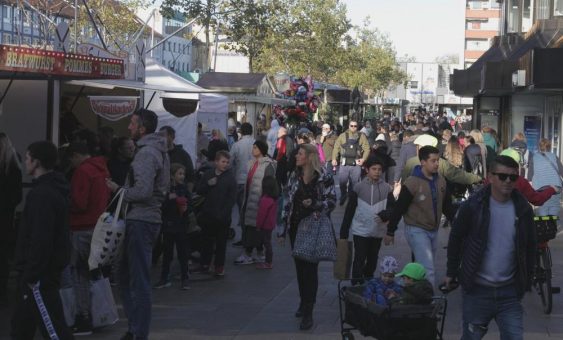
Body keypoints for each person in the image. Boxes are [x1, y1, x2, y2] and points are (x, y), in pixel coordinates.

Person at [445, 155, 536, 340]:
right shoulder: (473, 205)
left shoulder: (523, 208)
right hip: (477, 290)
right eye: (502, 176)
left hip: (509, 292)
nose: (508, 181)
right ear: (490, 176)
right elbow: (456, 238)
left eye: (513, 177)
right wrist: (451, 272)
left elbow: (529, 246)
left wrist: (527, 279)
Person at [106, 109, 170, 340]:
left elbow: (143, 191)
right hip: (146, 219)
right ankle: (135, 328)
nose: (129, 127)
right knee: (125, 275)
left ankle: (138, 331)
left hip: (141, 220)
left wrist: (117, 189)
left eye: (133, 124)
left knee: (138, 280)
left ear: (142, 128)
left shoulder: (146, 154)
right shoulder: (158, 151)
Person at [11, 141, 74, 340]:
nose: (26, 162)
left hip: (39, 276)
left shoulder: (42, 195)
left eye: (28, 158)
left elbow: (41, 238)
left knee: (53, 328)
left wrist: (31, 274)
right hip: (38, 272)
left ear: (36, 162)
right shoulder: (51, 190)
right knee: (22, 326)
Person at [279, 143, 336, 330]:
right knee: (300, 268)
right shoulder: (294, 175)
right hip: (296, 226)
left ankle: (309, 311)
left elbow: (332, 200)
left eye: (300, 153)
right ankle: (303, 302)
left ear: (309, 156)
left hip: (313, 226)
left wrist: (315, 204)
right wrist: (282, 230)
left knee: (310, 270)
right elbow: (287, 202)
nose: (296, 156)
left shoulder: (323, 177)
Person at [387, 146, 456, 288]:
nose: (437, 164)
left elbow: (447, 206)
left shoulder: (441, 181)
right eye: (433, 161)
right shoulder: (412, 182)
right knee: (428, 268)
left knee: (421, 266)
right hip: (416, 229)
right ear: (423, 162)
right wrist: (390, 231)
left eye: (438, 160)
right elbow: (399, 208)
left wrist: (456, 223)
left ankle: (411, 290)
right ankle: (429, 300)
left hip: (433, 230)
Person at [67, 141, 111, 335]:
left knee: (79, 274)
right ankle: (99, 313)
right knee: (94, 274)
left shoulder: (83, 172)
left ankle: (83, 316)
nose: (71, 163)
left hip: (81, 227)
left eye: (71, 159)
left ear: (76, 155)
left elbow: (79, 202)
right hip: (98, 226)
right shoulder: (102, 170)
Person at [340, 155, 395, 285]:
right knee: (359, 258)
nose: (377, 172)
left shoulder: (387, 188)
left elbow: (393, 208)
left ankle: (368, 281)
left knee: (372, 260)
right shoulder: (358, 187)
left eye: (379, 169)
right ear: (367, 170)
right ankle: (356, 284)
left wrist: (386, 214)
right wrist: (344, 232)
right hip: (360, 230)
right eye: (374, 169)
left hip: (377, 231)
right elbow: (349, 211)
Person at [195, 151, 237, 276]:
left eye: (227, 162)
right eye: (223, 162)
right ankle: (205, 264)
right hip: (208, 214)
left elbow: (231, 198)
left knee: (221, 243)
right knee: (206, 241)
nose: (225, 164)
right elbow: (199, 190)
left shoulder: (230, 178)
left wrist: (224, 213)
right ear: (216, 162)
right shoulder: (208, 174)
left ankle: (219, 266)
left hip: (223, 217)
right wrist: (208, 184)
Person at [235, 140, 276, 265]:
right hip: (249, 200)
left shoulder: (268, 165)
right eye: (253, 147)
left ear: (261, 149)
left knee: (254, 229)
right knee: (250, 227)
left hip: (259, 201)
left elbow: (268, 184)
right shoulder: (252, 163)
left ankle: (248, 254)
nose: (253, 150)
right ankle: (259, 253)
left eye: (255, 148)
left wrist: (263, 200)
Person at [153, 163, 192, 290]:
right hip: (169, 225)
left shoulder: (184, 188)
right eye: (179, 174)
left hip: (181, 225)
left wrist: (186, 209)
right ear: (172, 175)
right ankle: (164, 278)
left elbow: (191, 204)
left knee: (183, 253)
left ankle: (185, 278)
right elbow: (161, 206)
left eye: (183, 174)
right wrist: (170, 198)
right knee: (167, 253)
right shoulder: (167, 189)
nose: (182, 176)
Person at [401, 134, 482, 186]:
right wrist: (477, 178)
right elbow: (457, 174)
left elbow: (404, 181)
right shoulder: (440, 162)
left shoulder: (410, 162)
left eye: (418, 146)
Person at [0, 133, 22, 301]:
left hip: (5, 216)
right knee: (3, 257)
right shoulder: (14, 163)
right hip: (5, 218)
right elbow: (17, 196)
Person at [332, 120, 370, 206]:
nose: (353, 127)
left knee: (355, 183)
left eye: (355, 126)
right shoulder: (342, 136)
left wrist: (363, 159)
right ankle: (343, 195)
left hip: (356, 163)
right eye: (351, 125)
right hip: (344, 163)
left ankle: (352, 198)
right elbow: (336, 147)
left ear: (357, 127)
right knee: (342, 182)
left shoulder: (362, 136)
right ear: (348, 126)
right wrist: (334, 158)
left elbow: (367, 148)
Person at [229, 123, 255, 247]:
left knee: (242, 210)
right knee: (254, 210)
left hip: (240, 181)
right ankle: (253, 239)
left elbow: (229, 162)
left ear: (241, 132)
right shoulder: (257, 144)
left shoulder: (237, 145)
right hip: (255, 181)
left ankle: (245, 238)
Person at [528, 138, 563, 216]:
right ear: (549, 147)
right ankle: (552, 226)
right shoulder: (554, 156)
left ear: (540, 147)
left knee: (542, 208)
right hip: (555, 187)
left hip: (540, 188)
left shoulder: (534, 157)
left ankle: (544, 226)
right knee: (554, 208)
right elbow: (561, 171)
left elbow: (530, 176)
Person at [255, 176, 279, 270]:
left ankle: (268, 262)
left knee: (266, 243)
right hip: (271, 224)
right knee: (267, 242)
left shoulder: (265, 200)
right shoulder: (274, 198)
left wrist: (258, 226)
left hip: (265, 225)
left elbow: (261, 215)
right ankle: (267, 260)